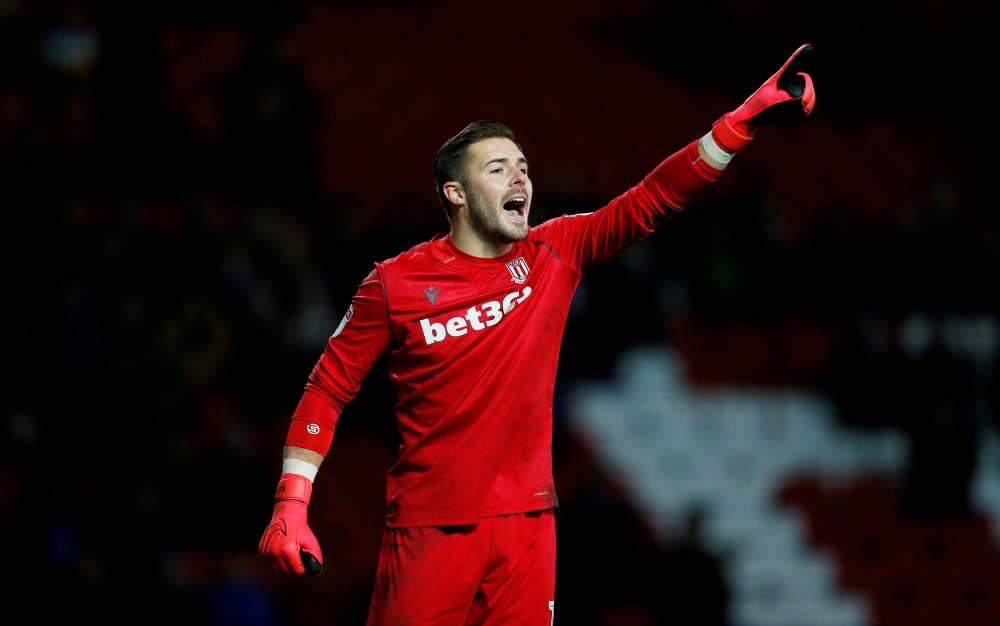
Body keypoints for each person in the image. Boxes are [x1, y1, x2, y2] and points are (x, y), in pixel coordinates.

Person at [258, 45, 816, 625]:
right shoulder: (393, 284)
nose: (520, 174)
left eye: (523, 165)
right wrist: (291, 504)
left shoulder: (555, 252)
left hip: (529, 527)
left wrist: (735, 127)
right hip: (432, 527)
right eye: (497, 168)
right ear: (457, 194)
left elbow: (653, 199)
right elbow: (326, 389)